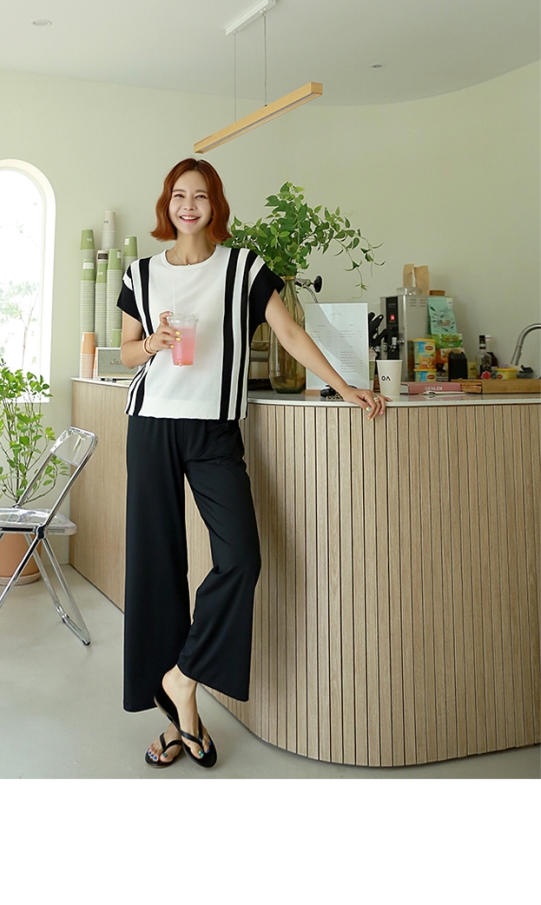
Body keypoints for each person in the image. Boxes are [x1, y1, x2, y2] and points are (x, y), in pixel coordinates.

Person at [118, 157, 385, 769]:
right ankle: (180, 721)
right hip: (151, 424)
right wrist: (152, 344)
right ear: (167, 204)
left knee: (241, 558)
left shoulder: (243, 268)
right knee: (156, 569)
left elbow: (289, 333)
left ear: (215, 204)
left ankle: (182, 676)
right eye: (179, 195)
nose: (189, 205)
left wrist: (345, 387)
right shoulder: (141, 273)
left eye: (201, 195)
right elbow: (127, 350)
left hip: (215, 430)